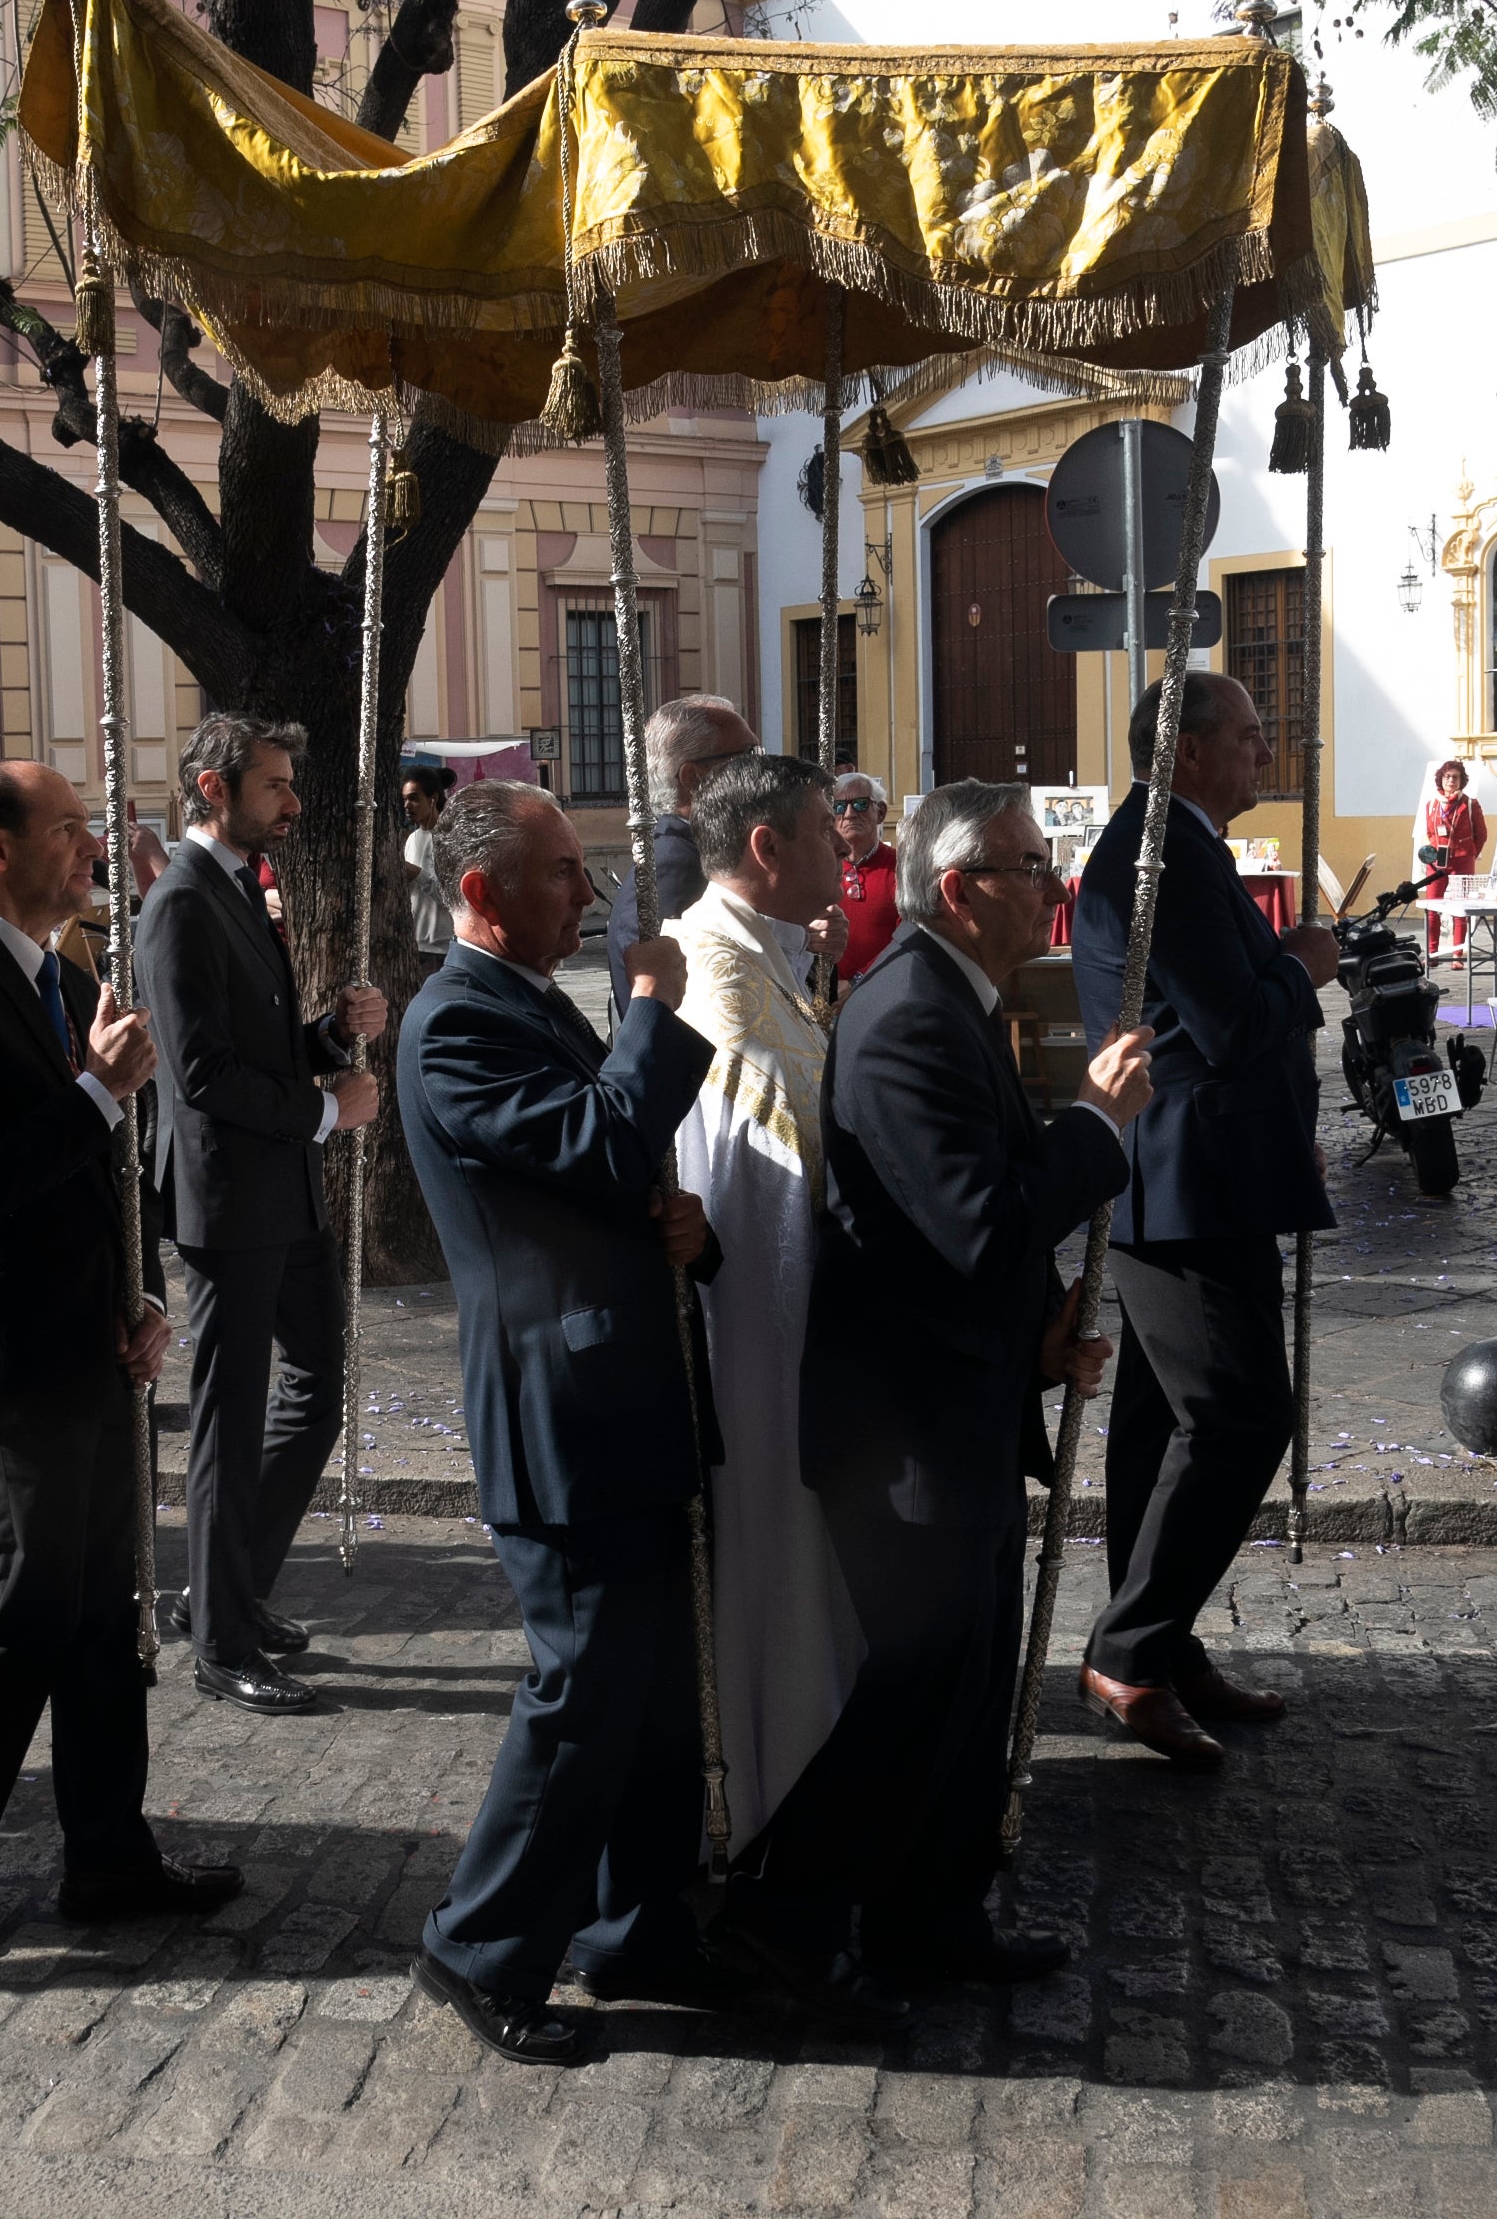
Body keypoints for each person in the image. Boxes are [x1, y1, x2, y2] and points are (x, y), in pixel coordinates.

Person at [716, 782, 1151, 2014]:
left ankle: (930, 1907)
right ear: (957, 889)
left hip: (956, 1402)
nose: (1050, 883)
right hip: (900, 1431)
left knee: (962, 1691)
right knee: (915, 1690)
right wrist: (1098, 1127)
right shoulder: (910, 1010)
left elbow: (973, 1217)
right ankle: (780, 1910)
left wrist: (1039, 1335)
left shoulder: (953, 998)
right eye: (1027, 863)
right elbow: (972, 1223)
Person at [0, 761, 234, 1958]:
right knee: (25, 1606)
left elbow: (99, 1177)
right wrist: (93, 1091)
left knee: (99, 1607)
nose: (89, 850)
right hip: (11, 1356)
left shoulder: (64, 975)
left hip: (89, 1337)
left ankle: (108, 1850)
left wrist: (139, 1291)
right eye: (66, 830)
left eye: (88, 829)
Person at [399, 779, 731, 2066]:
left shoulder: (526, 1004)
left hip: (622, 1387)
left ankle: (634, 1922)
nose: (586, 899)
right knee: (581, 1689)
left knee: (648, 1690)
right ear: (479, 893)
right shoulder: (449, 1026)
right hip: (559, 1405)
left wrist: (680, 1235)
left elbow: (602, 1174)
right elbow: (597, 1142)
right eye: (557, 874)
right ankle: (478, 1940)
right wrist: (652, 1007)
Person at [1068, 672, 1338, 1765]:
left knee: (1161, 1421)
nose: (1263, 755)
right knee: (1236, 1413)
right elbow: (1226, 1022)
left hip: (1203, 1169)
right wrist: (1302, 965)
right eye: (1248, 736)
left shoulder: (1179, 842)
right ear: (1183, 752)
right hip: (1180, 1176)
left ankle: (1158, 1641)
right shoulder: (1160, 853)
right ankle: (1127, 1648)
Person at [138, 714, 388, 1714]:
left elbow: (259, 1042)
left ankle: (229, 1588)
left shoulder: (242, 885)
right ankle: (219, 1641)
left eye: (290, 784)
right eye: (274, 787)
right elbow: (199, 1074)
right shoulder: (179, 902)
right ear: (214, 788)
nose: (291, 803)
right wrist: (328, 1107)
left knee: (314, 1393)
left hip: (281, 1188)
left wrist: (328, 1032)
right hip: (229, 1195)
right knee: (229, 1421)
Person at [661, 750, 852, 1851]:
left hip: (797, 1322)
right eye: (825, 831)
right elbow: (749, 1178)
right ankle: (779, 1787)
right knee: (773, 1536)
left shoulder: (767, 952)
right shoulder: (713, 976)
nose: (845, 847)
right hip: (762, 1338)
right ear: (767, 848)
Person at [605, 695, 756, 1018]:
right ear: (693, 777)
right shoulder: (675, 865)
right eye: (746, 756)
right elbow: (660, 997)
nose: (759, 769)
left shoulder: (699, 851)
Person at [829, 772, 900, 982]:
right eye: (839, 806)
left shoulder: (902, 866)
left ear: (880, 812)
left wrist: (858, 981)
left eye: (860, 804)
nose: (849, 814)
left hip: (885, 988)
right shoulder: (819, 869)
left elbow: (906, 936)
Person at [1419, 761, 1492, 954]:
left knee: (1460, 909)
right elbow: (1430, 832)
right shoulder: (1431, 805)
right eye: (1447, 777)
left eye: (1455, 777)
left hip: (1462, 862)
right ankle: (1432, 953)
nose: (1451, 780)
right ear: (1440, 779)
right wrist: (1436, 851)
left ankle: (1457, 954)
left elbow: (1482, 834)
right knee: (1433, 908)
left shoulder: (1470, 804)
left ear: (1461, 780)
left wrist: (1469, 853)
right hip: (1436, 863)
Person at [400, 769, 453, 956]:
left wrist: (418, 874)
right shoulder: (412, 839)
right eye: (405, 799)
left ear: (433, 799)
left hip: (443, 949)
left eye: (414, 798)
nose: (407, 805)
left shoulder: (450, 838)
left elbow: (454, 897)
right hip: (414, 946)